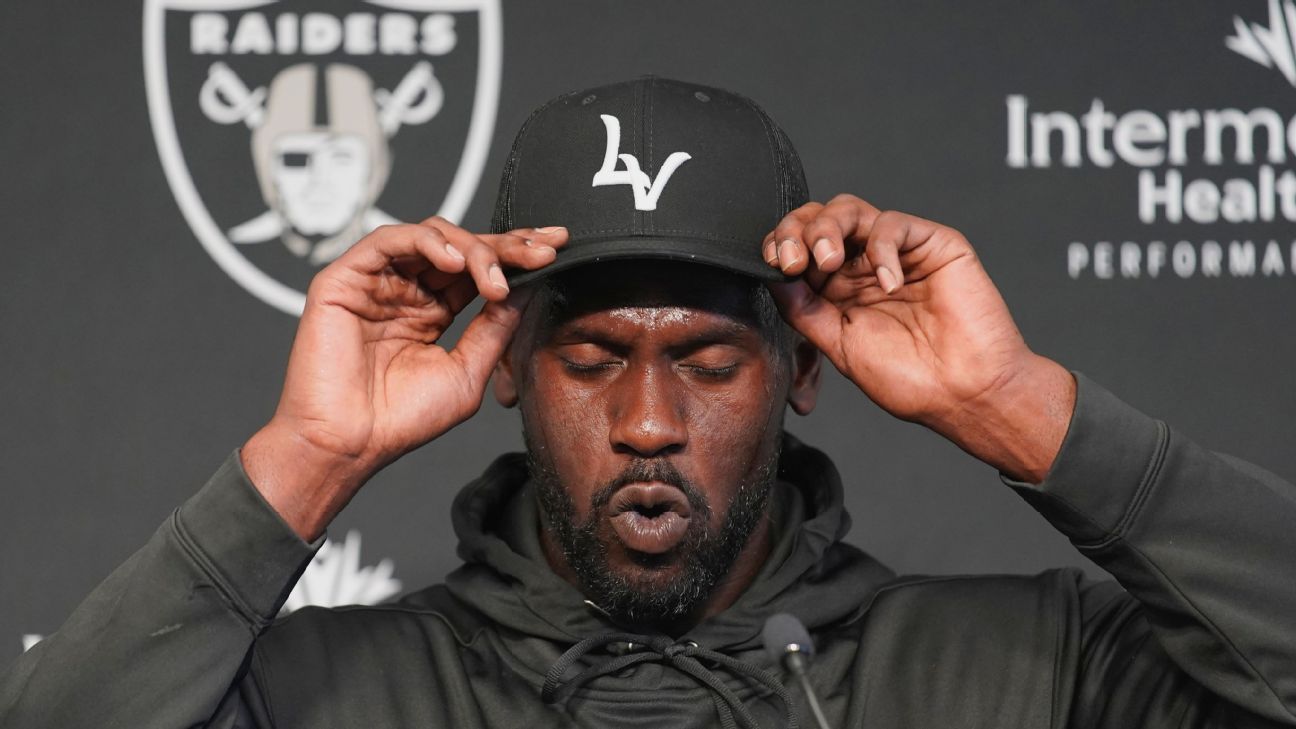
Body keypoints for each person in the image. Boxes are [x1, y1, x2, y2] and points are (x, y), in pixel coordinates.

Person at [2, 77, 1294, 729]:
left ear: (803, 367)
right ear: (505, 365)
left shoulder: (1027, 672)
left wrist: (1020, 408)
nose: (649, 421)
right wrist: (310, 456)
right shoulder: (338, 690)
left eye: (712, 363)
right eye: (591, 357)